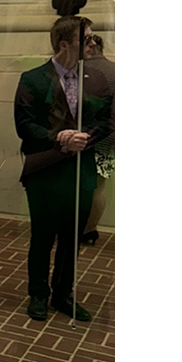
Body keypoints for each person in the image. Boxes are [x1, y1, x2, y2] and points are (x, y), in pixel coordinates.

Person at [14, 16, 112, 322]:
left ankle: (63, 294)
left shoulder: (97, 80)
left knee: (73, 237)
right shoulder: (33, 79)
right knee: (42, 236)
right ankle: (38, 295)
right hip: (44, 169)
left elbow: (109, 119)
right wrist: (57, 137)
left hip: (81, 169)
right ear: (64, 44)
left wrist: (86, 137)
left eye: (94, 38)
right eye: (87, 40)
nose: (94, 44)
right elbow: (24, 125)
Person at [81, 34, 115, 246]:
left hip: (90, 134)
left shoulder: (87, 72)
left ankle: (83, 229)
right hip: (110, 135)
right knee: (99, 183)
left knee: (87, 185)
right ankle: (90, 229)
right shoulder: (115, 69)